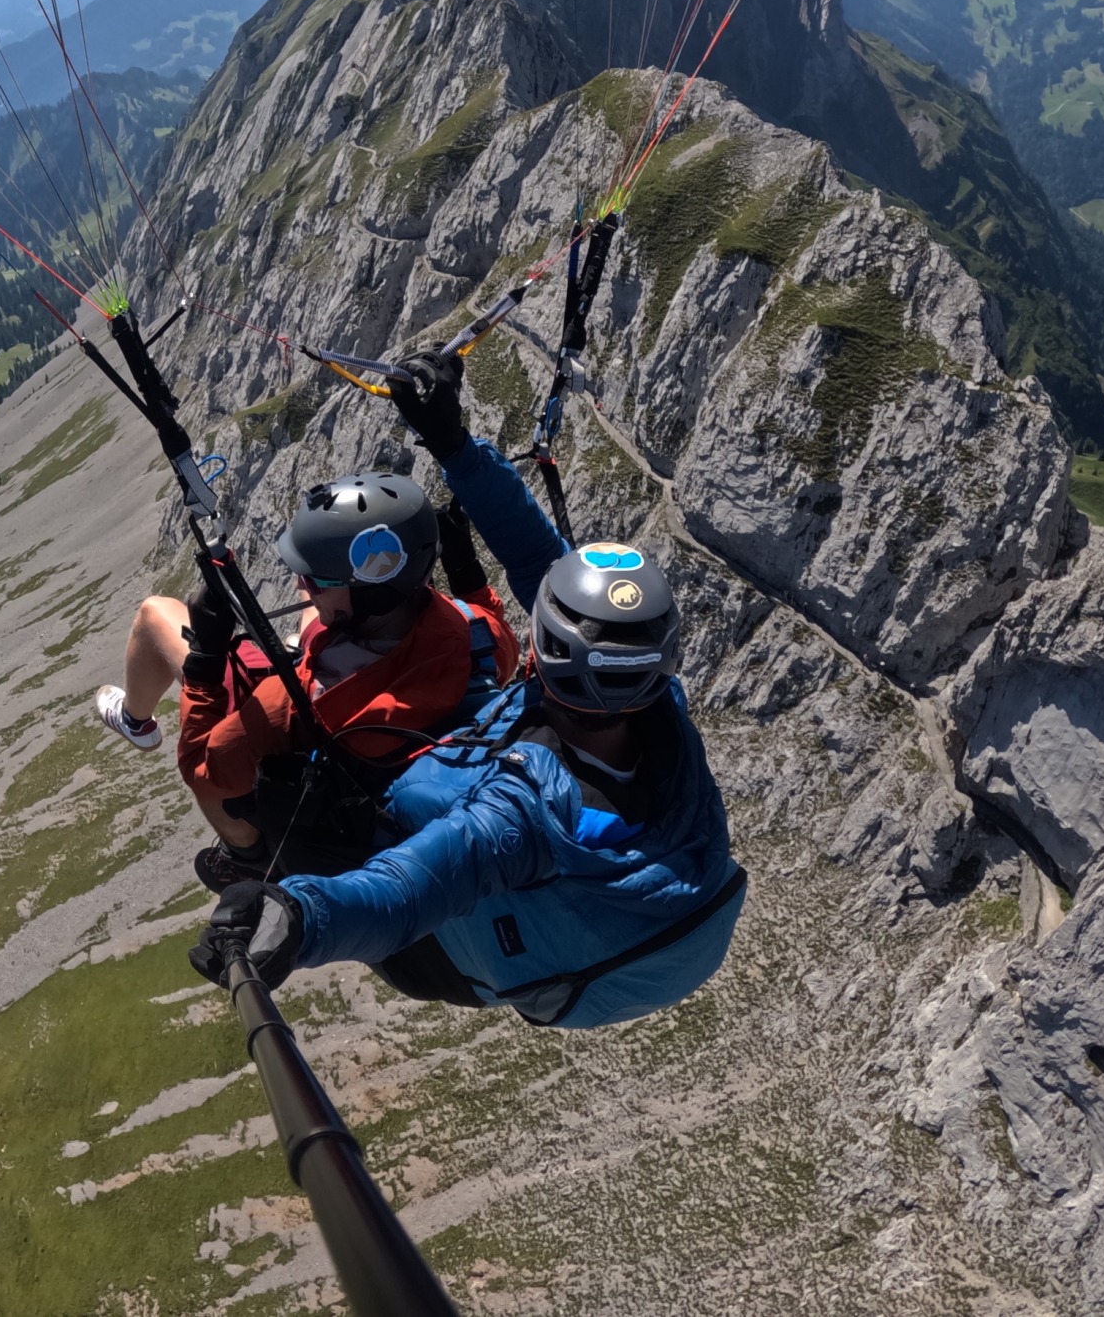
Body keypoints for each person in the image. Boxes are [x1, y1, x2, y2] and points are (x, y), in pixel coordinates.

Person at [186, 350, 743, 1029]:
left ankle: (249, 858)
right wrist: (455, 446)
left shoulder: (522, 816)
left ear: (544, 651)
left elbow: (404, 890)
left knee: (308, 805)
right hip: (675, 927)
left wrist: (295, 916)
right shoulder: (655, 701)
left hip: (471, 965)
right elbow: (538, 560)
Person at [92, 471, 518, 889]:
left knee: (154, 614)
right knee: (312, 620)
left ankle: (245, 855)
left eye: (314, 580)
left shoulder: (294, 703)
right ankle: (317, 615)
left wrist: (205, 660)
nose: (301, 583)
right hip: (384, 707)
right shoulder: (478, 633)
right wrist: (467, 574)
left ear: (371, 590)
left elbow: (203, 770)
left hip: (322, 768)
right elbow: (490, 622)